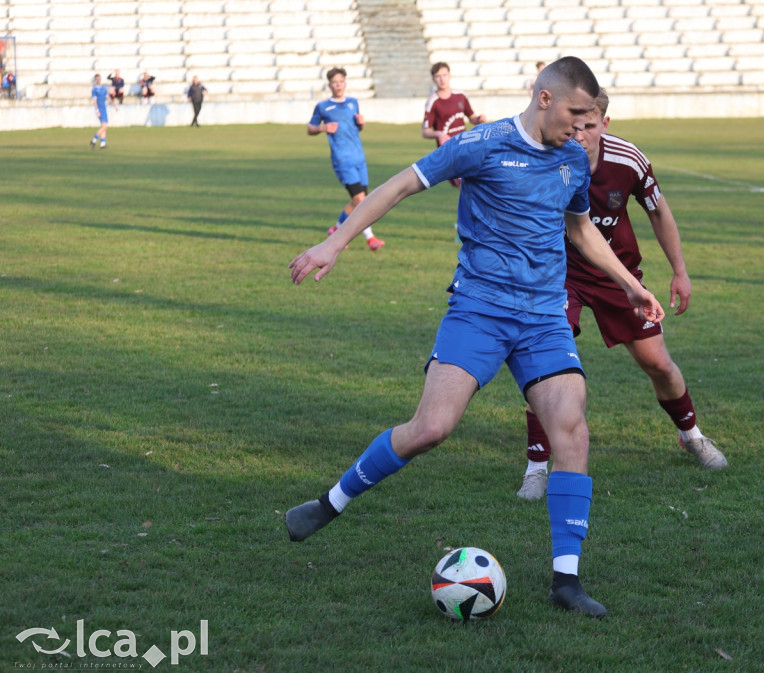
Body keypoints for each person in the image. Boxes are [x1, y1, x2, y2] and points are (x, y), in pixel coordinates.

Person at [285, 57, 665, 619]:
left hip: (542, 315)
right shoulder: (481, 144)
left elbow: (581, 229)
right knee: (431, 428)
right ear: (544, 99)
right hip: (480, 309)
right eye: (577, 114)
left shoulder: (571, 160)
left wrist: (630, 284)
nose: (585, 128)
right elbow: (397, 186)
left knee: (571, 429)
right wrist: (335, 243)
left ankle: (566, 581)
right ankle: (329, 503)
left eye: (592, 118)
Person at [514, 89, 728, 501]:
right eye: (574, 126)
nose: (580, 135)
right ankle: (537, 467)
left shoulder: (627, 159)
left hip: (620, 276)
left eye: (589, 126)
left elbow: (659, 212)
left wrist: (680, 272)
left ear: (605, 124)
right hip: (560, 276)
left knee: (659, 365)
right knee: (549, 366)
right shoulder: (546, 157)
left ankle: (692, 436)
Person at [308, 67, 384, 250]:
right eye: (335, 82)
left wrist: (362, 123)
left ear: (345, 83)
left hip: (359, 157)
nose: (338, 85)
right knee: (361, 201)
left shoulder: (353, 102)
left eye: (341, 82)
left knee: (358, 199)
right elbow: (310, 128)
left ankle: (336, 229)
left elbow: (356, 129)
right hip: (342, 160)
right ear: (330, 85)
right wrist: (322, 128)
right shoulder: (323, 106)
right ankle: (370, 238)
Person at [422, 62, 486, 189]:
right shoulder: (433, 102)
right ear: (433, 79)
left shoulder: (461, 96)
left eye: (444, 75)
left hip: (466, 147)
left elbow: (471, 117)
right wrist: (439, 134)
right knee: (465, 185)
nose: (442, 79)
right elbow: (425, 131)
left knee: (477, 184)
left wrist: (478, 119)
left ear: (450, 76)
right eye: (438, 76)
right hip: (448, 152)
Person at [89, 74, 109, 149]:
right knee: (104, 126)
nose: (98, 80)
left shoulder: (103, 88)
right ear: (95, 80)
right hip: (100, 109)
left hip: (104, 109)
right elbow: (95, 101)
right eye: (97, 79)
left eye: (99, 78)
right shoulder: (94, 89)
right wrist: (97, 110)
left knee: (104, 127)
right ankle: (93, 140)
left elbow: (107, 97)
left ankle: (102, 144)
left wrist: (113, 104)